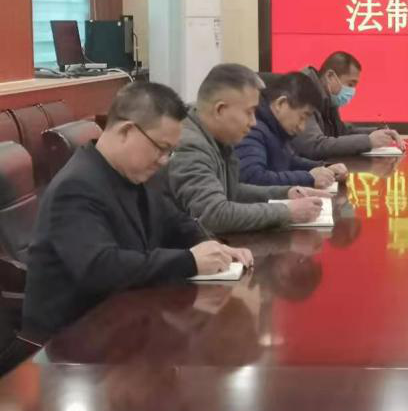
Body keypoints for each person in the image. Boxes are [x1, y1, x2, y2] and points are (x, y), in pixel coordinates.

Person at [23, 81, 252, 340]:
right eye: (161, 148)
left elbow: (175, 222)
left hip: (125, 320)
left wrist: (213, 247)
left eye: (170, 152)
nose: (164, 160)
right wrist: (189, 261)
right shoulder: (76, 187)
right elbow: (100, 268)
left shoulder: (135, 172)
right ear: (126, 131)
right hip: (74, 339)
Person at [166, 64, 328, 235]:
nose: (253, 122)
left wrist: (286, 193)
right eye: (249, 112)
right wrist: (287, 212)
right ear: (220, 110)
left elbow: (232, 191)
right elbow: (213, 215)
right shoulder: (191, 146)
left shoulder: (218, 138)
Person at [237, 72, 348, 188]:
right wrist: (308, 177)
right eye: (302, 117)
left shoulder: (275, 127)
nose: (302, 127)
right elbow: (254, 178)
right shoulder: (253, 129)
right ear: (280, 103)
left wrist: (325, 168)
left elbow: (289, 161)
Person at [291, 51, 406, 159]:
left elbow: (341, 132)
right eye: (350, 84)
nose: (352, 91)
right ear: (330, 76)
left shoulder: (327, 97)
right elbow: (314, 146)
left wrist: (378, 132)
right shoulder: (303, 93)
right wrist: (368, 141)